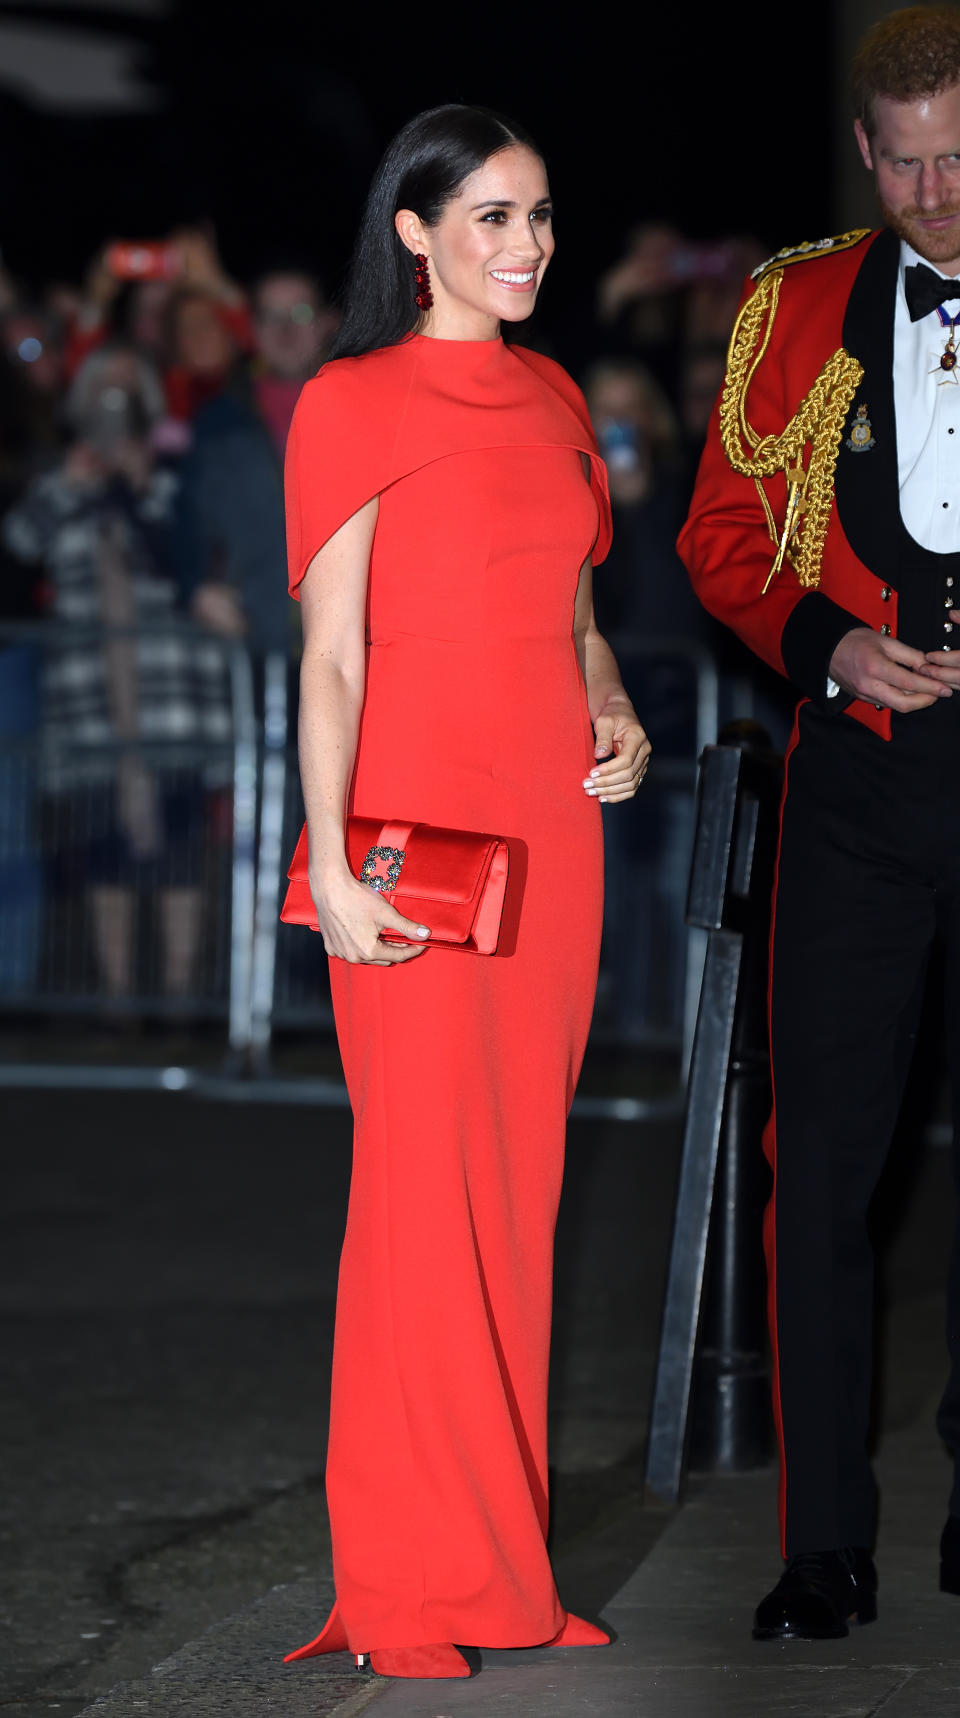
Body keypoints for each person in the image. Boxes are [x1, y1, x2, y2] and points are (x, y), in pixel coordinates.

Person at [282, 104, 650, 1681]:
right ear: (413, 232)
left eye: (542, 214)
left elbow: (574, 624)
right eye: (492, 217)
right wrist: (328, 867)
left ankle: (504, 1571)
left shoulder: (558, 393)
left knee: (516, 1202)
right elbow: (333, 655)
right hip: (411, 851)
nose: (528, 244)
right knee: (419, 1205)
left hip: (552, 844)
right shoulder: (352, 401)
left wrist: (619, 704)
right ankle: (405, 1580)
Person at [679, 2, 960, 1644]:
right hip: (853, 776)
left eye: (957, 160)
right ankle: (824, 1542)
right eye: (905, 162)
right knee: (823, 1164)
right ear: (867, 151)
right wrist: (829, 642)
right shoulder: (794, 305)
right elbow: (723, 531)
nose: (932, 193)